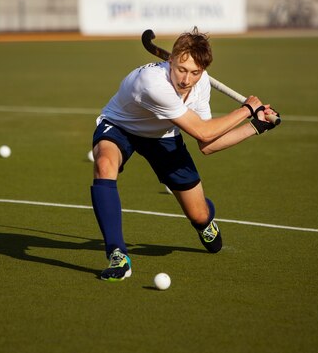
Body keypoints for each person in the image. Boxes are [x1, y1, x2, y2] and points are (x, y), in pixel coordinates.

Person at [90, 27, 278, 281]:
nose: (186, 80)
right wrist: (247, 110)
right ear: (171, 60)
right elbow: (202, 132)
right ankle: (117, 255)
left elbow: (208, 144)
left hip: (164, 137)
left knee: (199, 214)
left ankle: (204, 223)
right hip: (121, 126)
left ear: (202, 71)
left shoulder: (200, 87)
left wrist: (256, 126)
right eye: (181, 69)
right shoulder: (153, 83)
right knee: (104, 164)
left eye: (194, 73)